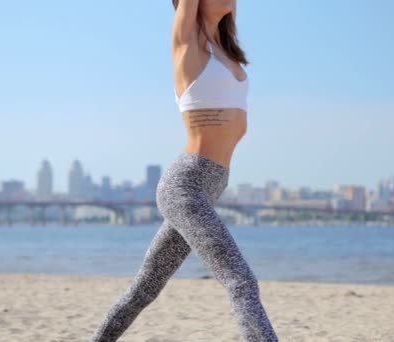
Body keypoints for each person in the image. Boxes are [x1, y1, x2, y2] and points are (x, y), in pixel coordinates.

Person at [89, 1, 279, 341]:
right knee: (241, 281)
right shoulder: (188, 45)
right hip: (186, 186)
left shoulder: (226, 51)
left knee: (145, 288)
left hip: (210, 187)